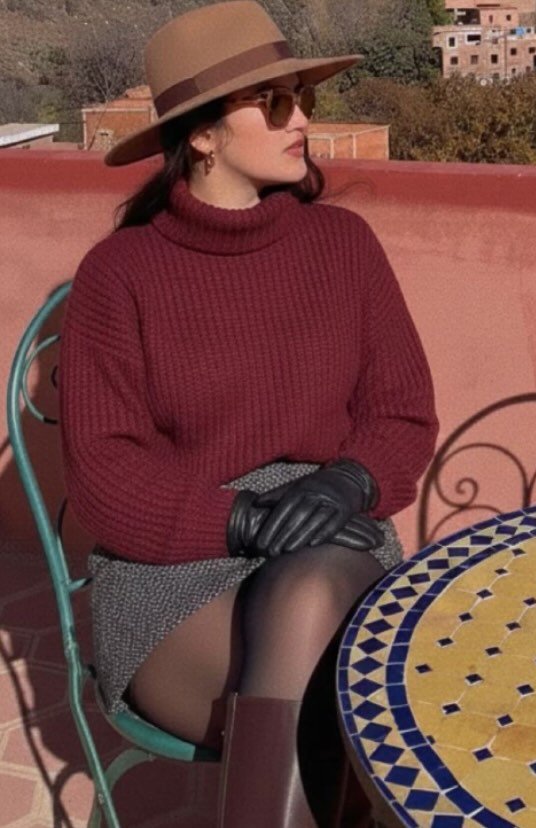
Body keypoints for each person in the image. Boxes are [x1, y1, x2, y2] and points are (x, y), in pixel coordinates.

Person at [58, 2, 438, 826]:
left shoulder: (343, 246)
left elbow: (402, 414)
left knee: (314, 596)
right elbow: (105, 475)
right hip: (173, 573)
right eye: (273, 103)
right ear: (202, 135)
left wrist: (346, 482)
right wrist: (241, 520)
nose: (301, 119)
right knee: (350, 692)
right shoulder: (120, 275)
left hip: (331, 536)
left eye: (301, 97)